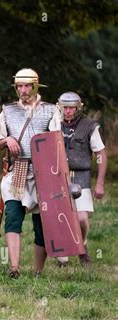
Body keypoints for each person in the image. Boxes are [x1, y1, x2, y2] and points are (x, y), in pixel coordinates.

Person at [0, 68, 61, 278]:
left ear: (36, 86)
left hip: (42, 173)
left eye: (27, 85)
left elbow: (58, 142)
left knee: (42, 224)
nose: (23, 90)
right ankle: (14, 268)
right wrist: (7, 140)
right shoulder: (8, 111)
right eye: (19, 86)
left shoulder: (50, 110)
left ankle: (38, 271)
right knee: (12, 217)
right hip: (17, 170)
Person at [56, 92, 107, 267]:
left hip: (80, 176)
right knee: (59, 216)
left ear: (78, 108)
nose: (68, 111)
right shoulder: (53, 124)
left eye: (71, 108)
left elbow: (100, 154)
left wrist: (99, 183)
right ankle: (62, 254)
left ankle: (81, 245)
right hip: (56, 176)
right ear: (59, 107)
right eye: (65, 108)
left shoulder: (88, 126)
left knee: (81, 218)